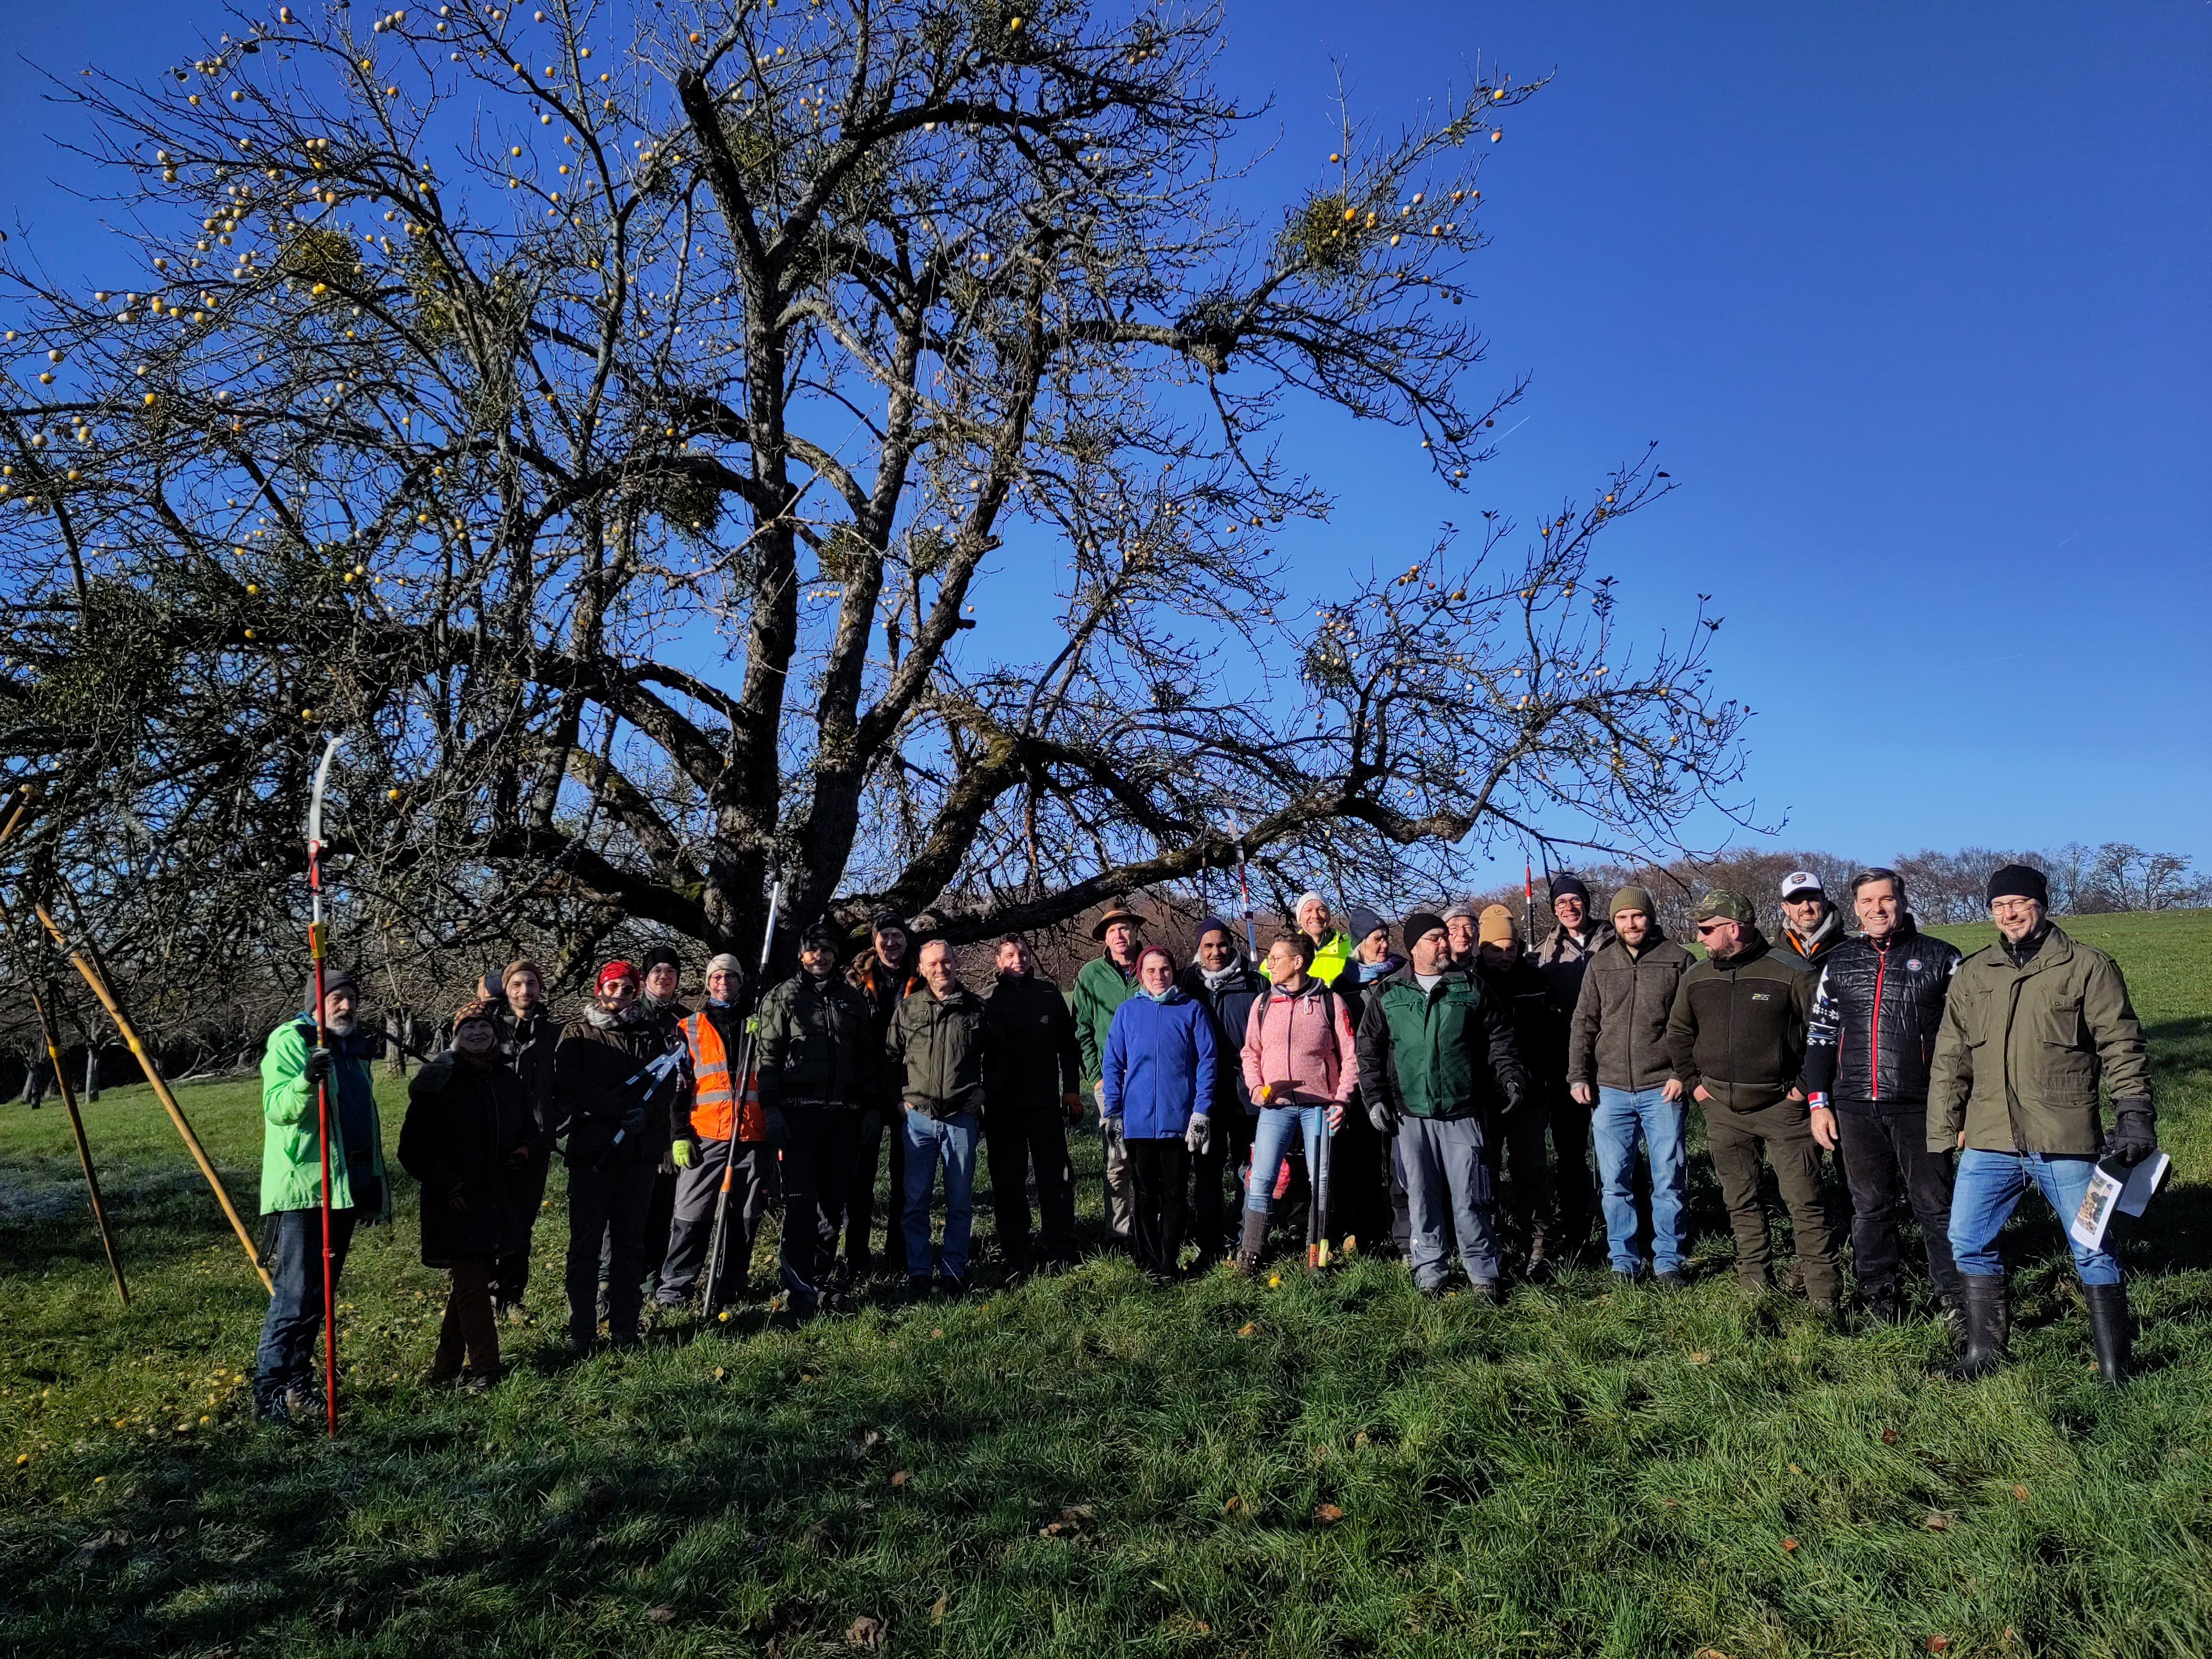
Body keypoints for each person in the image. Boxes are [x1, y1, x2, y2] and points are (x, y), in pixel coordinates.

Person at [1929, 863, 2156, 1384]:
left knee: (2091, 1244)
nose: (2008, 914)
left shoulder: (2087, 967)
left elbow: (2121, 1044)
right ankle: (1984, 1353)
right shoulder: (1975, 972)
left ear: (2042, 904)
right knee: (1966, 1236)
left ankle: (2115, 1369)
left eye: (2018, 903)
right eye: (1998, 906)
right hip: (1989, 1136)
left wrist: (2135, 1112)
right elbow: (1951, 1054)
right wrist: (1943, 1130)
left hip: (2064, 1136)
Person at [1802, 869, 1965, 1327]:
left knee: (1935, 1206)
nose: (1877, 909)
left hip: (1922, 1106)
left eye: (1886, 899)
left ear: (1903, 902)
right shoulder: (1841, 961)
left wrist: (1963, 1107)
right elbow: (1821, 1036)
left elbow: (1969, 1040)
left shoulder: (1942, 958)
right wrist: (1819, 1103)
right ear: (1854, 908)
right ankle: (1880, 1301)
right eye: (1867, 901)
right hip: (1853, 1106)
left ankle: (1953, 1300)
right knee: (1869, 1208)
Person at [1665, 890, 1840, 1311]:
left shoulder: (1792, 972)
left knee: (1806, 1204)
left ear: (1734, 927)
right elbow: (1678, 1033)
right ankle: (1755, 1289)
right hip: (1722, 1111)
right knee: (1740, 1201)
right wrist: (1697, 1087)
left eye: (1707, 929)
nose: (1700, 936)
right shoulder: (1697, 977)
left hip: (1784, 1110)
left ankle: (1825, 1299)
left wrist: (1801, 1089)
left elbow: (1825, 1036)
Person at [1354, 912, 1527, 1300]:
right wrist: (1375, 1099)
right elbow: (1368, 1050)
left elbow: (1500, 1037)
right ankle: (1430, 1271)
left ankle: (1484, 1273)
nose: (1444, 944)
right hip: (1409, 1115)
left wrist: (1511, 1078)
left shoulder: (1471, 987)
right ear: (1415, 946)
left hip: (1464, 1111)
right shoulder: (1390, 993)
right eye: (1435, 938)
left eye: (1444, 938)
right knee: (1421, 1196)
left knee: (1471, 1196)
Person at [252, 967, 391, 1427]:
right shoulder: (291, 1040)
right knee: (295, 1293)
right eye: (336, 998)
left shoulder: (353, 1048)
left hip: (345, 1184)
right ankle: (269, 1391)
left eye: (351, 998)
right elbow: (277, 1109)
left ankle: (299, 1382)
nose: (345, 1006)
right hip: (305, 1187)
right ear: (316, 1001)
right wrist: (306, 1080)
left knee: (320, 1294)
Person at [398, 999, 539, 1389]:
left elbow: (529, 1128)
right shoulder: (438, 1080)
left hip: (497, 1196)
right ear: (456, 1036)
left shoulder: (507, 1080)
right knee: (474, 1283)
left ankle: (443, 1372)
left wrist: (523, 1150)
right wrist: (448, 1185)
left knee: (469, 1284)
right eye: (468, 1028)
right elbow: (412, 1148)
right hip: (456, 1200)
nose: (477, 1034)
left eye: (485, 1028)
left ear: (497, 1035)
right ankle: (486, 1371)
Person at [555, 961, 690, 1352]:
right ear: (600, 989)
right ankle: (582, 1329)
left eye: (628, 989)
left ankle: (624, 1327)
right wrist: (615, 1109)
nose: (619, 996)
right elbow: (571, 1080)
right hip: (593, 1152)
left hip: (639, 1154)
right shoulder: (577, 1032)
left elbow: (666, 1083)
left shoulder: (650, 1033)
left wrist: (645, 1115)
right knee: (586, 1243)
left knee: (630, 1243)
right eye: (612, 988)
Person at [1568, 887, 1695, 1286]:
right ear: (1614, 921)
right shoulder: (1601, 964)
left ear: (1650, 917)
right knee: (1614, 1182)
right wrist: (1578, 1075)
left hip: (1663, 1087)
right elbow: (1584, 1022)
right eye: (1622, 918)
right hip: (1610, 1090)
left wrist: (1682, 1073)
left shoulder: (1679, 960)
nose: (1631, 924)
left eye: (1637, 916)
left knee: (1669, 1179)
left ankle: (1668, 1259)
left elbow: (1696, 1025)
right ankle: (1623, 1259)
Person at [757, 923, 878, 1317]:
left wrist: (871, 1108)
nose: (820, 957)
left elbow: (867, 1059)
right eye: (813, 951)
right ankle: (800, 1291)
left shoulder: (851, 1000)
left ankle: (824, 1280)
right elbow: (769, 1058)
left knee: (833, 1206)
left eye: (827, 950)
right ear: (801, 955)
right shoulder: (783, 997)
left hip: (843, 1116)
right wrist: (771, 1109)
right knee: (800, 1205)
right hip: (798, 1115)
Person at [657, 953, 775, 1310]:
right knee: (691, 1214)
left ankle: (730, 1286)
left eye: (731, 976)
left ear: (741, 981)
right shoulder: (689, 1026)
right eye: (717, 977)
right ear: (708, 982)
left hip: (752, 1134)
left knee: (745, 1215)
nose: (724, 982)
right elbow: (678, 1088)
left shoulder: (760, 1024)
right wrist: (678, 1134)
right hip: (705, 1134)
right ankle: (674, 1289)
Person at [1234, 933, 1358, 1273]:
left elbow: (1350, 1057)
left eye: (1276, 958)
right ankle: (1251, 1253)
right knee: (1261, 1179)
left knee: (1321, 1180)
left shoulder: (1330, 1003)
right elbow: (1250, 1052)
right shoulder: (1262, 1005)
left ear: (1298, 962)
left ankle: (1315, 1256)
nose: (1269, 964)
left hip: (1320, 1107)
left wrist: (1342, 1100)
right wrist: (1256, 1087)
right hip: (1275, 1107)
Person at [1100, 945, 1218, 1285]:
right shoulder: (1127, 1012)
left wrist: (1201, 1111)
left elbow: (1208, 1061)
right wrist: (1114, 1114)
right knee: (1144, 1193)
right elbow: (1113, 1063)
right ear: (1140, 974)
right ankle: (1149, 1259)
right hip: (1136, 1121)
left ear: (1173, 971)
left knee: (1174, 1193)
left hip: (1178, 1120)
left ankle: (1168, 1260)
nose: (1158, 976)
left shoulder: (1192, 1010)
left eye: (1164, 969)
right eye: (1150, 971)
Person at [888, 938, 989, 1297]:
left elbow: (1001, 1057)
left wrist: (984, 1091)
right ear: (921, 968)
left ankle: (953, 1269)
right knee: (915, 1201)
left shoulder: (976, 1008)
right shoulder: (909, 1009)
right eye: (932, 964)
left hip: (961, 1120)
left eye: (946, 961)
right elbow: (890, 1059)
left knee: (959, 1201)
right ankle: (918, 1270)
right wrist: (899, 1102)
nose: (940, 969)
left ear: (956, 962)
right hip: (919, 1121)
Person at [980, 934, 1083, 1270]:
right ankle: (1017, 1250)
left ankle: (1061, 1246)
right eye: (1009, 955)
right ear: (998, 961)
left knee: (1055, 1179)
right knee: (1008, 1182)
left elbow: (1069, 1046)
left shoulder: (1049, 994)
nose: (1018, 960)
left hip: (1044, 1105)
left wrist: (1071, 1090)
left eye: (1023, 953)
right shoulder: (987, 1000)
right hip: (1002, 1108)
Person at [1473, 905, 1560, 1279]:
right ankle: (1492, 1242)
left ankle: (1539, 1242)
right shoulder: (1470, 982)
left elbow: (1553, 1037)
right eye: (1495, 949)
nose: (1504, 956)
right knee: (1484, 1173)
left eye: (1510, 948)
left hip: (1531, 1095)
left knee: (1530, 1170)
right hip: (1483, 1096)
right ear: (1481, 947)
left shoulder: (1537, 982)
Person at [1176, 917, 1268, 1271]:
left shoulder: (1254, 981)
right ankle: (1211, 1244)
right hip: (1206, 1095)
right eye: (1208, 946)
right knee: (1208, 1172)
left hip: (1248, 1093)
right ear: (1199, 949)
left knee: (1249, 1170)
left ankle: (1248, 1240)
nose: (1216, 952)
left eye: (1222, 944)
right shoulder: (1187, 985)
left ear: (1233, 944)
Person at [1531, 875, 1613, 1259]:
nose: (1568, 907)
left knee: (1620, 1153)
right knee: (1570, 1155)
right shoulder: (1545, 951)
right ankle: (1578, 1231)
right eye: (1560, 902)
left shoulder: (1613, 940)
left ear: (1586, 902)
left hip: (1615, 1062)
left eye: (1574, 900)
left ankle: (1629, 1228)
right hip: (1566, 1066)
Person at [843, 912, 921, 1276]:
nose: (891, 943)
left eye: (897, 935)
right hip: (865, 1089)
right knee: (861, 1178)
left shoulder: (921, 977)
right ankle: (856, 1256)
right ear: (874, 942)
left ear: (906, 939)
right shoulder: (855, 980)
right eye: (884, 936)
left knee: (905, 1176)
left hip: (909, 1085)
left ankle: (899, 1252)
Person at [1072, 899, 1146, 1249]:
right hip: (1112, 1084)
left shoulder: (1154, 966)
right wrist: (1096, 1076)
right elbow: (1082, 1028)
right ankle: (1119, 1232)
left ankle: (1150, 1226)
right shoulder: (1091, 975)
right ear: (1104, 937)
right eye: (1112, 930)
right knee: (1117, 1161)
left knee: (1150, 1158)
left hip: (1152, 1083)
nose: (1120, 935)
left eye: (1125, 927)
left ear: (1135, 930)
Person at [489, 958, 559, 1321]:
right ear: (506, 987)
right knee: (490, 1217)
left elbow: (563, 1086)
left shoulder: (554, 1033)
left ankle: (511, 1295)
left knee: (523, 1222)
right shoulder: (486, 1028)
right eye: (517, 984)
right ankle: (483, 1292)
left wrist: (554, 1121)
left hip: (537, 1142)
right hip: (493, 1140)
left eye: (531, 983)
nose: (525, 991)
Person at [1328, 905, 1399, 1255]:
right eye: (1375, 939)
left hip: (1399, 1080)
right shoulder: (1342, 986)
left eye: (1386, 937)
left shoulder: (1402, 975)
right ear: (1360, 944)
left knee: (1400, 1163)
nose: (1383, 945)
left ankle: (1404, 1232)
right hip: (1361, 1085)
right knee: (1364, 1163)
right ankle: (1367, 1232)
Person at [1775, 871, 1847, 972]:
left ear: (1825, 903)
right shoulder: (1771, 955)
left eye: (1812, 900)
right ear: (1786, 908)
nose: (1806, 908)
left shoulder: (1853, 950)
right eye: (1797, 901)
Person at [1286, 891, 1356, 988]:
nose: (1315, 915)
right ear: (1299, 919)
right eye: (1308, 910)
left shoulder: (1353, 946)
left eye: (1321, 910)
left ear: (1329, 916)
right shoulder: (1286, 951)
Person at [1443, 899, 1481, 969]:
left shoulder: (1487, 969)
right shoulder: (1435, 970)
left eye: (1468, 928)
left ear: (1476, 932)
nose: (1462, 934)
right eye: (1454, 928)